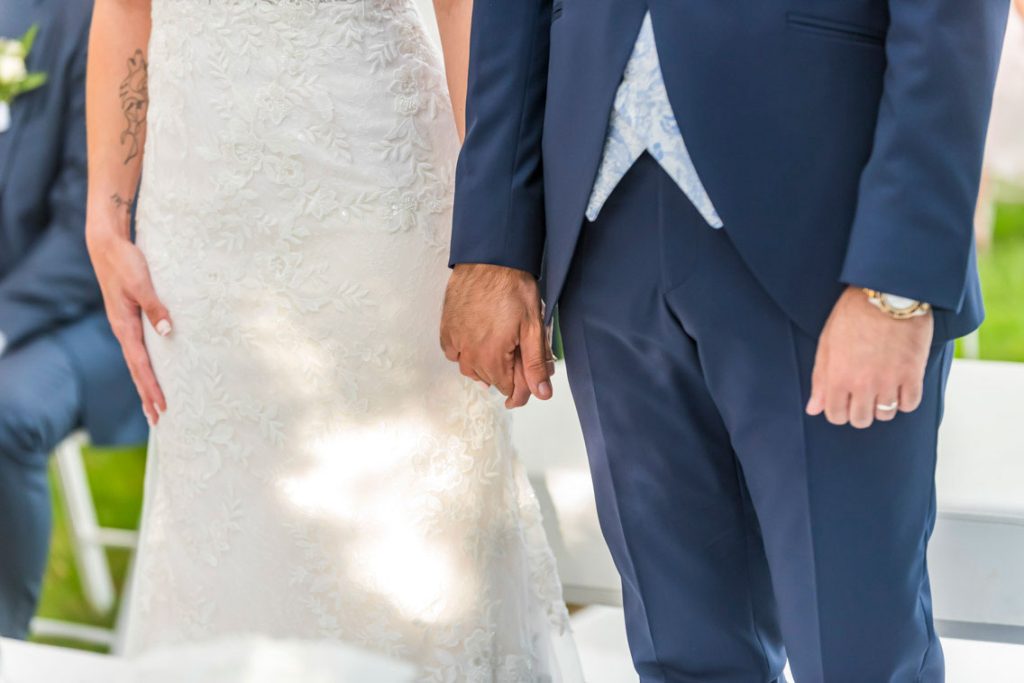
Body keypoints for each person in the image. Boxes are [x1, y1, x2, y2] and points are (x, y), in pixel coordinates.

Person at [441, 0, 1008, 681]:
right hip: (601, 228)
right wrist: (493, 241)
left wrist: (897, 280)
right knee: (683, 654)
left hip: (827, 234)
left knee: (860, 653)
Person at [85, 0, 580, 679]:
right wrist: (106, 215)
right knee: (222, 543)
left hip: (371, 201)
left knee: (405, 544)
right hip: (197, 239)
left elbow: (467, 9)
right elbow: (120, 8)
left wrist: (499, 243)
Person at [0, 0, 146, 638]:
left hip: (91, 312)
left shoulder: (84, 18)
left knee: (4, 411)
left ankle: (7, 643)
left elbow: (85, 233)